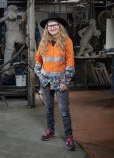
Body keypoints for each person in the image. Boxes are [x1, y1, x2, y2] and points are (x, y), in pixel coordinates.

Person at [34, 12, 75, 151]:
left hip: (60, 81)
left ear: (59, 26)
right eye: (49, 25)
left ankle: (69, 136)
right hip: (46, 81)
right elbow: (37, 61)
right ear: (46, 28)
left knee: (64, 110)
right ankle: (50, 130)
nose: (52, 27)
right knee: (48, 109)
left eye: (54, 25)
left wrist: (66, 81)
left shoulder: (67, 41)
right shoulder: (43, 42)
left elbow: (70, 64)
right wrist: (40, 75)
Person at [0, 5, 26, 75]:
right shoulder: (7, 13)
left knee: (29, 41)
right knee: (8, 50)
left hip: (17, 32)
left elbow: (23, 15)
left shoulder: (18, 13)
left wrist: (23, 17)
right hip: (10, 33)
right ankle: (5, 69)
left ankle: (35, 60)